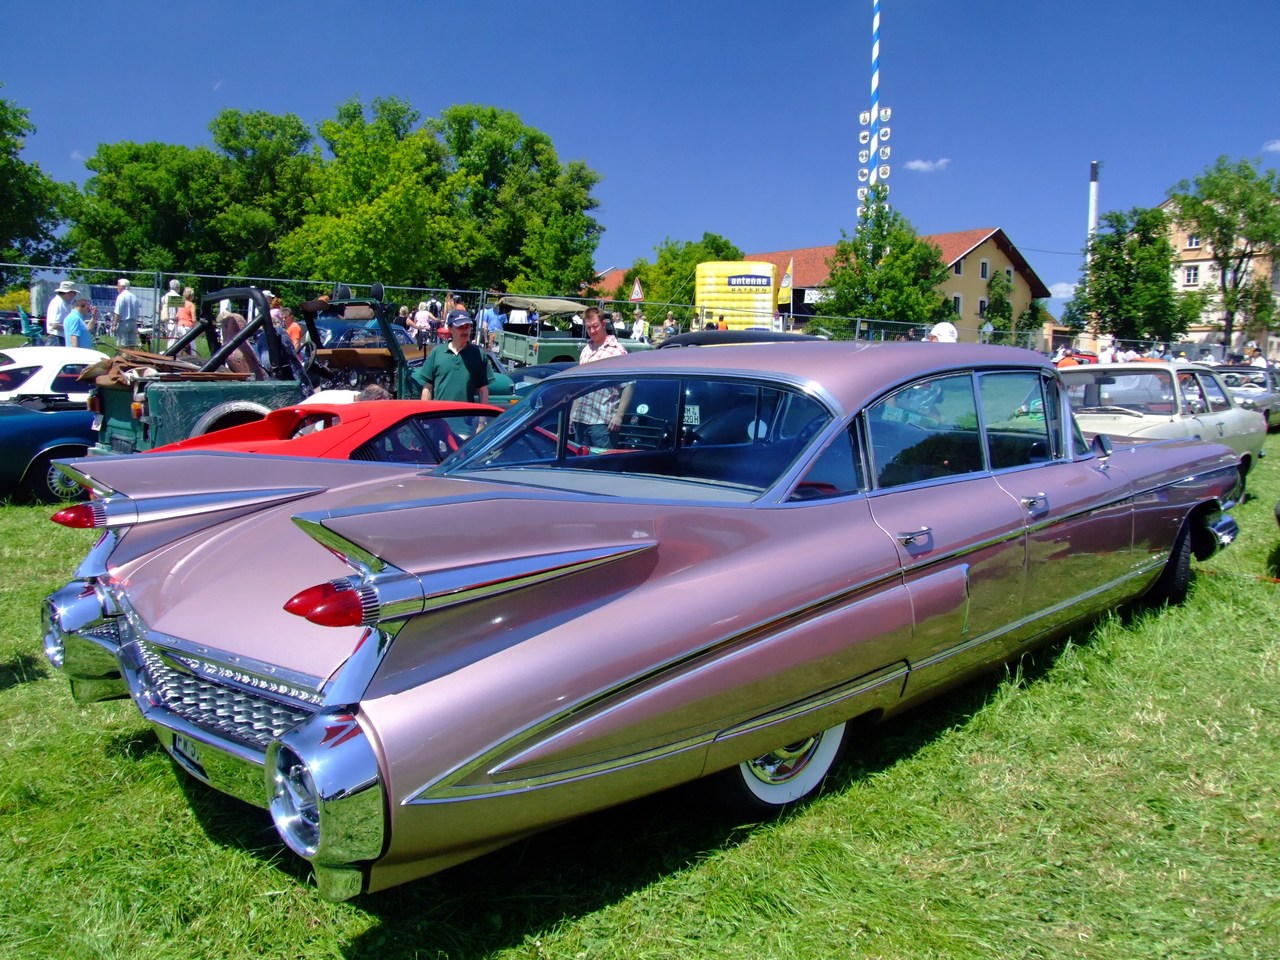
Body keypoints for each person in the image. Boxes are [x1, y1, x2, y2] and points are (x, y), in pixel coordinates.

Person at [570, 307, 634, 447]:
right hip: (581, 420)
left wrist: (619, 416)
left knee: (601, 465)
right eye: (588, 327)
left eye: (595, 326)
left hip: (602, 423)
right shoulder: (587, 350)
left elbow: (628, 385)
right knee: (579, 467)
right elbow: (579, 386)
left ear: (604, 324)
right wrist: (572, 415)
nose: (592, 331)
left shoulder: (616, 351)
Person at [413, 310, 492, 403]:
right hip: (440, 416)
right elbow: (428, 387)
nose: (465, 330)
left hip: (466, 416)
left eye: (468, 326)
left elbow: (483, 390)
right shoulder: (437, 352)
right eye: (460, 327)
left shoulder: (478, 354)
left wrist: (482, 417)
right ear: (450, 328)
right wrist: (424, 413)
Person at [45, 280, 77, 345]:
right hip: (57, 339)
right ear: (68, 293)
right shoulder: (58, 303)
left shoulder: (64, 303)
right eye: (74, 293)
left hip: (60, 338)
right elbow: (55, 325)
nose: (74, 295)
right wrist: (74, 328)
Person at [112, 278, 142, 347]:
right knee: (132, 347)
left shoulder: (121, 296)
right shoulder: (134, 297)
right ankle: (134, 358)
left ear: (123, 286)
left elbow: (117, 312)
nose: (117, 287)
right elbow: (137, 311)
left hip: (124, 323)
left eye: (118, 285)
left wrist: (114, 325)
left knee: (124, 347)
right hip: (133, 323)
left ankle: (124, 358)